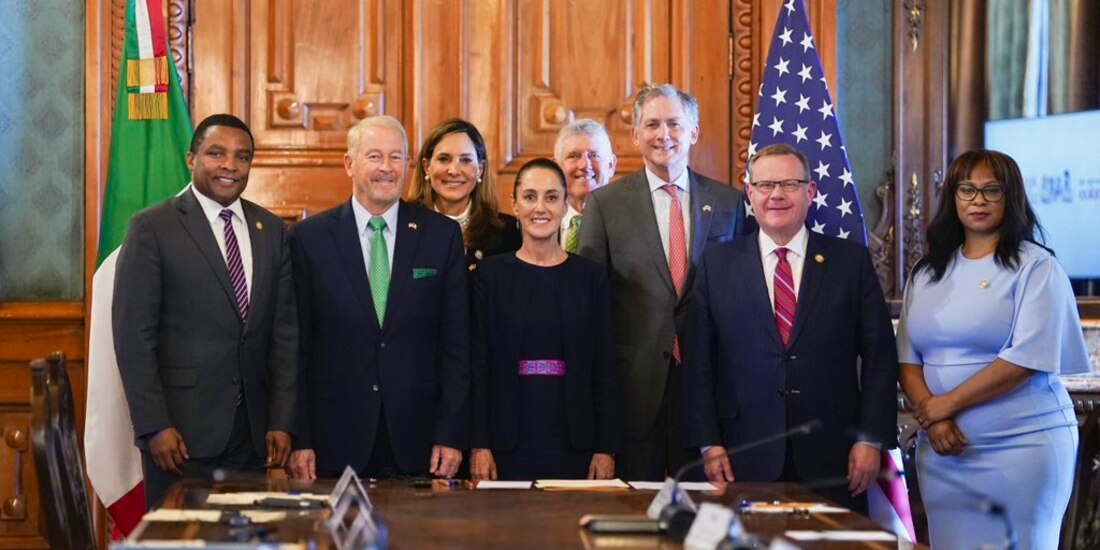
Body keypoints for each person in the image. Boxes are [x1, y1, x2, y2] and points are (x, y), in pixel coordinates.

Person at [683, 143, 896, 513]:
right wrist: (708, 443)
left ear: (810, 192)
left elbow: (879, 357)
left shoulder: (850, 262)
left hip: (835, 454)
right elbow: (699, 363)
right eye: (765, 185)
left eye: (789, 184)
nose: (776, 195)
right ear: (749, 193)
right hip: (742, 452)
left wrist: (870, 439)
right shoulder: (718, 264)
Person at [898, 149, 1088, 548]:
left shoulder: (1037, 267)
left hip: (1023, 448)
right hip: (944, 451)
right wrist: (935, 420)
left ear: (1011, 197)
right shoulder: (927, 271)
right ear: (953, 197)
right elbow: (908, 359)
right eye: (967, 190)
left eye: (991, 190)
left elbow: (1025, 360)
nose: (978, 200)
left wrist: (944, 405)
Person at [113, 114, 298, 509]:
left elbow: (284, 335)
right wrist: (154, 425)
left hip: (250, 436)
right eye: (217, 153)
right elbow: (133, 338)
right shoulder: (152, 227)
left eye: (242, 156)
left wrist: (281, 420)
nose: (230, 165)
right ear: (191, 158)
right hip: (179, 436)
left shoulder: (273, 231)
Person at [578, 83, 745, 481]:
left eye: (674, 123)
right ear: (635, 135)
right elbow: (591, 306)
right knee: (636, 516)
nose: (663, 134)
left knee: (704, 522)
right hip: (633, 389)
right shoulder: (604, 204)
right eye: (652, 124)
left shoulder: (728, 203)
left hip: (708, 387)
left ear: (694, 131)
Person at [287, 115, 469, 480]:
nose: (386, 168)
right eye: (374, 157)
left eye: (396, 157)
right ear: (349, 164)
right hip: (333, 437)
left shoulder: (441, 236)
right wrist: (299, 437)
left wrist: (450, 434)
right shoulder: (309, 238)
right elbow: (295, 348)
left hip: (419, 440)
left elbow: (457, 346)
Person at [469, 158, 620, 481]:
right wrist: (478, 444)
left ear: (566, 206)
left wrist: (605, 447)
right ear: (515, 204)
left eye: (551, 197)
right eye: (530, 196)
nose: (540, 208)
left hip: (576, 438)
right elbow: (478, 366)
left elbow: (605, 367)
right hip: (505, 438)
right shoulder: (489, 275)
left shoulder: (590, 277)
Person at [409, 118, 521, 271]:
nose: (454, 171)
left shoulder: (507, 232)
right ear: (427, 167)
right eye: (444, 159)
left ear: (480, 169)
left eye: (465, 160)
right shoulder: (404, 226)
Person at [552, 119, 617, 253]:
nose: (584, 165)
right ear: (556, 167)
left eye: (594, 156)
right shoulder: (539, 222)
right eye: (573, 156)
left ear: (611, 166)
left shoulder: (631, 226)